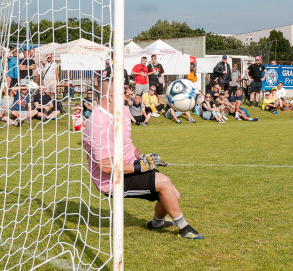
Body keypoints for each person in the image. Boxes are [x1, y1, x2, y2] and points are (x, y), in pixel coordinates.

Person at [82, 79, 203, 239]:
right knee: (164, 183)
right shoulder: (97, 123)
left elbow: (127, 143)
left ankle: (156, 223)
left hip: (130, 167)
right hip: (110, 180)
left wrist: (143, 157)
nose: (128, 97)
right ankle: (184, 228)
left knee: (174, 195)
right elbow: (105, 166)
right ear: (111, 97)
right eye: (123, 94)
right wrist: (141, 167)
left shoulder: (124, 111)